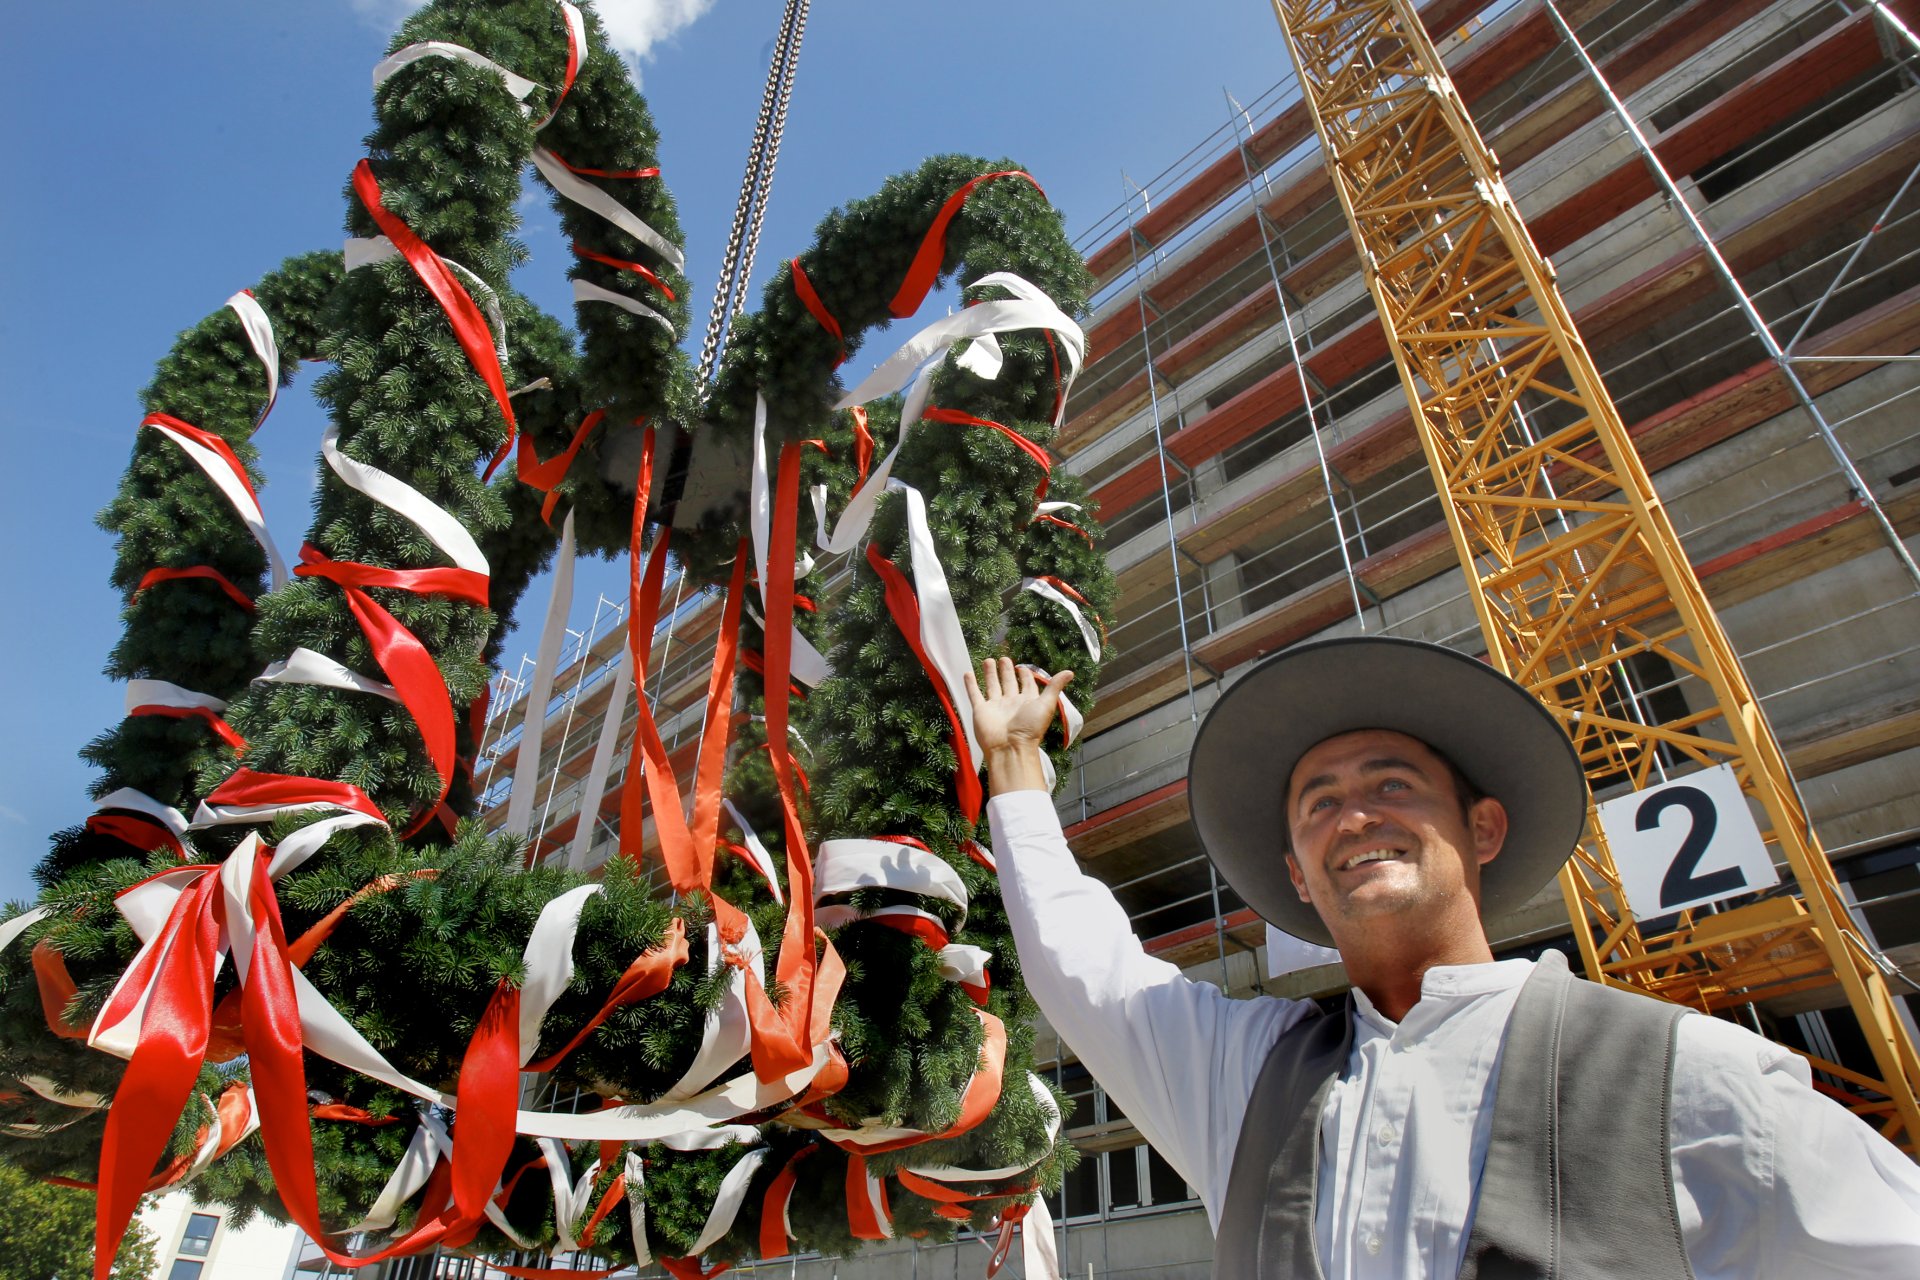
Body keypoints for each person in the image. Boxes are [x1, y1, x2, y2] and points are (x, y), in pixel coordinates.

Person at [965, 636, 1920, 1279]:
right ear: (1299, 876)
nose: (1354, 816)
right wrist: (1012, 763)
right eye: (1319, 803)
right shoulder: (1247, 1079)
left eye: (1392, 784)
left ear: (1484, 828)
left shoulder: (1683, 1073)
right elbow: (1082, 962)